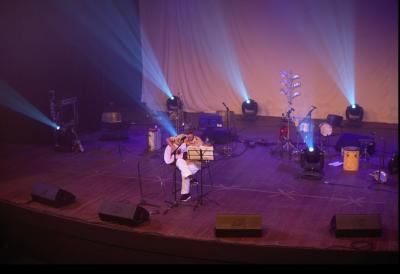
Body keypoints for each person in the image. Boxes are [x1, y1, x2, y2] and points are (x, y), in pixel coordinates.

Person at [166, 125, 203, 202]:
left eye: (190, 133)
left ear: (193, 133)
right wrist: (173, 147)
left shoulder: (198, 141)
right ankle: (191, 179)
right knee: (179, 161)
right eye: (187, 133)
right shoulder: (182, 137)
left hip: (195, 163)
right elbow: (168, 139)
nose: (188, 135)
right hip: (185, 162)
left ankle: (185, 194)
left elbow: (201, 155)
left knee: (184, 172)